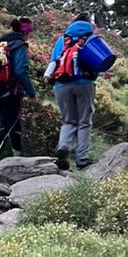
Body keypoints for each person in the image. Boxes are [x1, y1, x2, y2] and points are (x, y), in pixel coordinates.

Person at [46, 12, 99, 170]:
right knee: (84, 121)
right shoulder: (90, 38)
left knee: (68, 120)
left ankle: (63, 147)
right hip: (84, 83)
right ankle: (82, 158)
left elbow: (53, 62)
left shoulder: (62, 40)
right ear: (89, 24)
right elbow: (99, 61)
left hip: (61, 85)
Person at [0, 16, 37, 166]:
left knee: (15, 124)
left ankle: (18, 158)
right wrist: (31, 92)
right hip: (12, 90)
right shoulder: (19, 45)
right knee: (7, 125)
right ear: (26, 32)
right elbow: (21, 71)